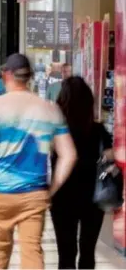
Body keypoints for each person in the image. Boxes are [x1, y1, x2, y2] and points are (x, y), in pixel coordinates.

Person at [0, 53, 77, 269]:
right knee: (32, 252)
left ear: (6, 75)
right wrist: (51, 189)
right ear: (29, 77)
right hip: (34, 193)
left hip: (0, 192)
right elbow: (69, 155)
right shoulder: (49, 109)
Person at [52, 77, 113, 269]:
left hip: (62, 198)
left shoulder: (57, 132)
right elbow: (110, 160)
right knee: (87, 251)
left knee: (66, 252)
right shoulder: (99, 130)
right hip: (93, 198)